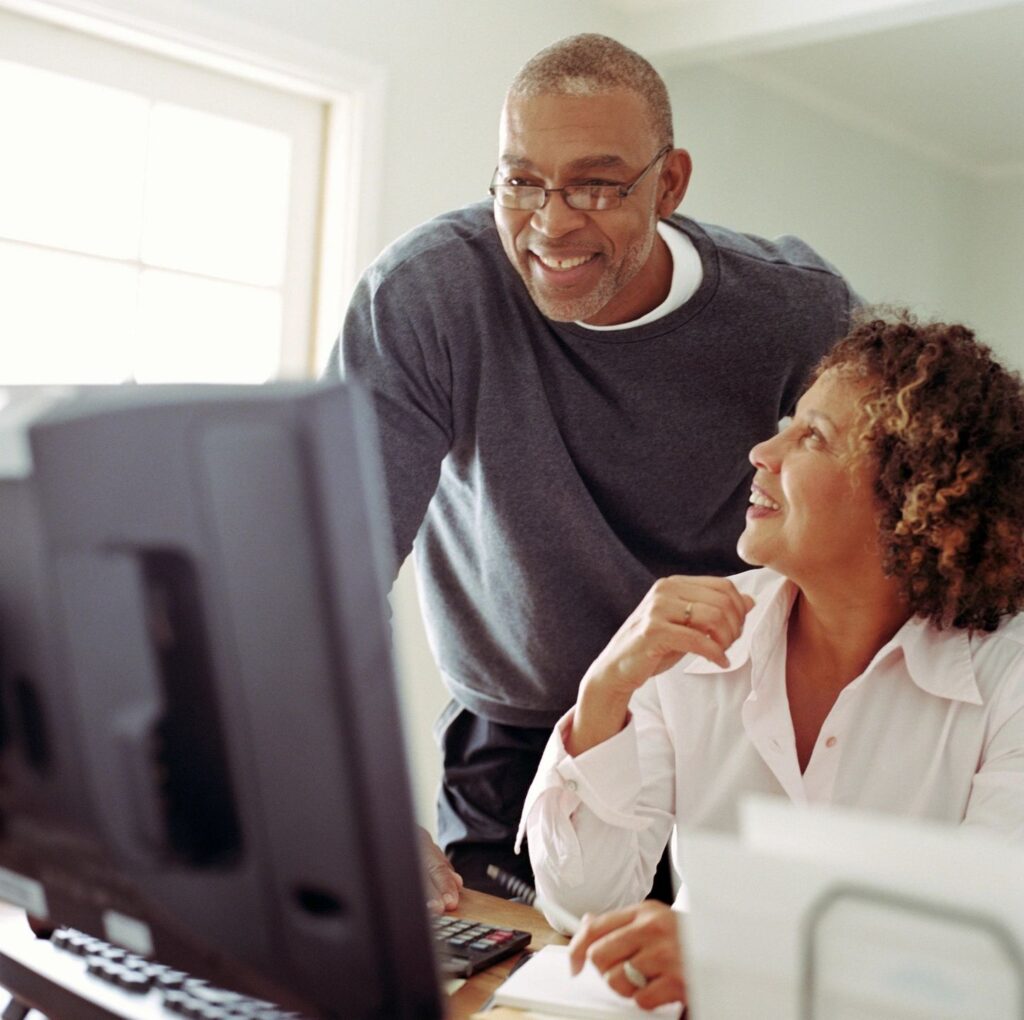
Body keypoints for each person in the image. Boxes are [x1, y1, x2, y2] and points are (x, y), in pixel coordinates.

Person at [329, 32, 859, 909]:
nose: (551, 222)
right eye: (521, 180)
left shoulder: (794, 310)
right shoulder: (427, 296)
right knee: (499, 981)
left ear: (671, 182)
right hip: (514, 733)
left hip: (717, 729)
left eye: (597, 185)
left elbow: (892, 490)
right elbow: (326, 575)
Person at [520, 312, 1024, 1010]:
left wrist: (736, 957)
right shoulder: (695, 639)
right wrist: (605, 690)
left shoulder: (1009, 681)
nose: (762, 450)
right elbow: (583, 904)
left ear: (911, 496)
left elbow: (992, 953)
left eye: (811, 437)